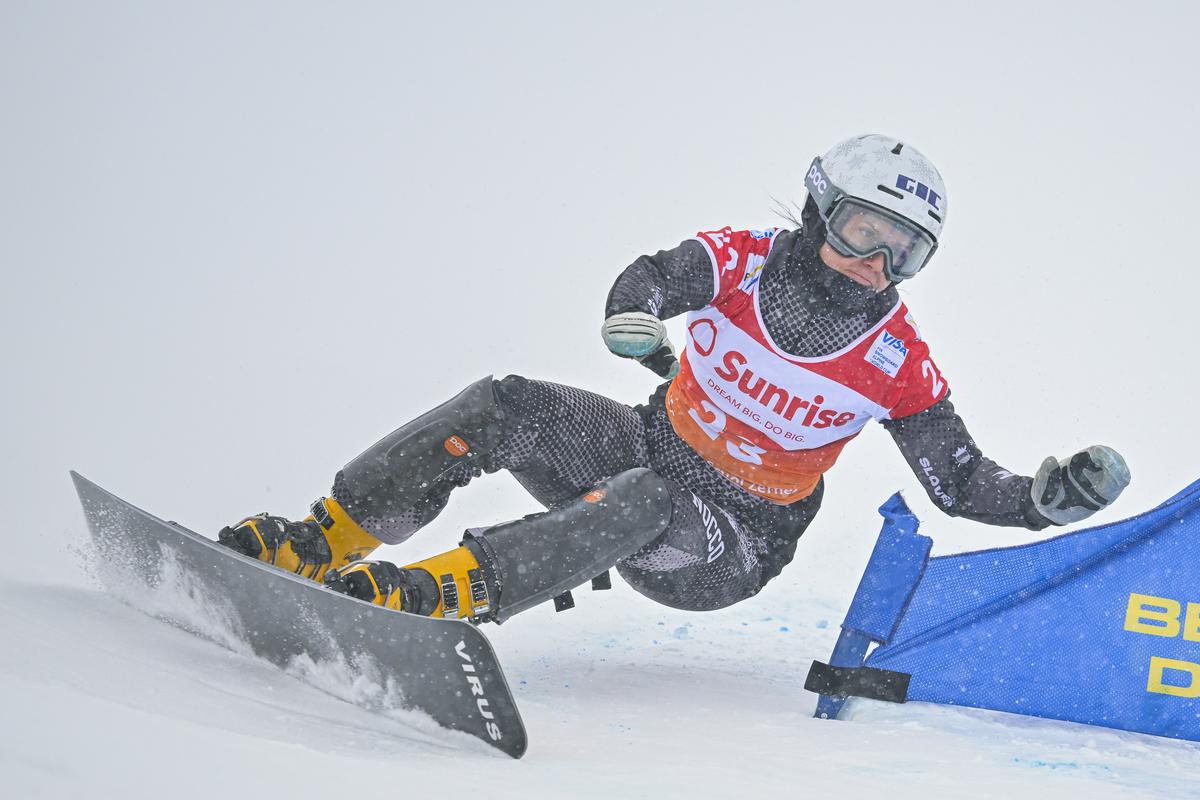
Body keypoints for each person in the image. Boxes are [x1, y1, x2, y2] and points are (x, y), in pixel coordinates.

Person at [218, 133, 1131, 624]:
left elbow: (962, 482)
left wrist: (1042, 501)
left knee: (647, 495)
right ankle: (322, 541)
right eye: (863, 230)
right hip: (647, 448)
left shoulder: (898, 361)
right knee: (504, 406)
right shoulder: (746, 260)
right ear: (820, 210)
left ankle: (438, 598)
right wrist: (637, 313)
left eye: (905, 253)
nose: (875, 264)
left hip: (729, 546)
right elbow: (660, 273)